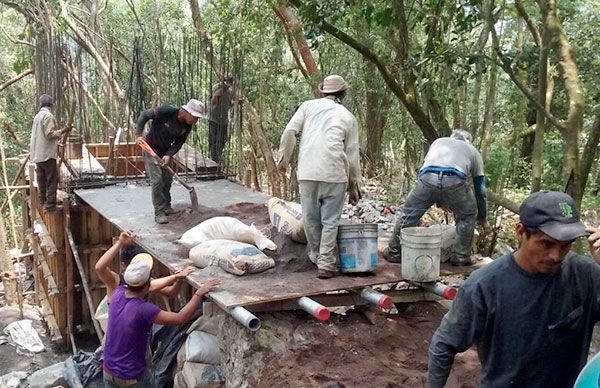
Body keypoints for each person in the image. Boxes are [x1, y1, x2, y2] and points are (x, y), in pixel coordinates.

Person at [427, 191, 600, 387]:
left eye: (566, 246)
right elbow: (444, 344)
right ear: (520, 232)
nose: (556, 256)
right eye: (546, 243)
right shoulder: (484, 286)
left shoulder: (586, 276)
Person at [277, 74, 361, 279]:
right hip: (334, 173)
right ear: (343, 93)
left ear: (322, 91)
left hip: (308, 171)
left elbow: (289, 131)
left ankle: (316, 257)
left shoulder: (307, 106)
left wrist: (283, 159)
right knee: (330, 221)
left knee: (310, 218)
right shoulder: (348, 116)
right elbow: (351, 153)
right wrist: (354, 186)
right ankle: (326, 263)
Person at [102, 253, 220, 387]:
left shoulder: (117, 293)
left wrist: (177, 278)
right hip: (131, 377)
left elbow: (166, 290)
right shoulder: (144, 309)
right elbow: (180, 318)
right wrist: (198, 293)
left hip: (108, 370)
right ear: (147, 284)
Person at [383, 129, 489, 266]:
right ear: (469, 141)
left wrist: (439, 200)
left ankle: (394, 252)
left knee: (409, 214)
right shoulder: (472, 150)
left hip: (427, 178)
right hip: (455, 180)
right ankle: (461, 256)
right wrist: (483, 217)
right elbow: (480, 189)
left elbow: (431, 169)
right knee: (468, 215)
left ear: (451, 137)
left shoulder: (438, 142)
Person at [135, 99, 206, 224]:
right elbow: (144, 115)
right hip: (150, 148)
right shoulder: (167, 111)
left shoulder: (187, 126)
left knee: (167, 179)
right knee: (157, 180)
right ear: (187, 111)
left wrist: (169, 154)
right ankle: (159, 212)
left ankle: (167, 206)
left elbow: (179, 143)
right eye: (195, 117)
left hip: (165, 152)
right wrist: (138, 134)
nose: (196, 121)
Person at [95, 230, 195, 301]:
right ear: (123, 266)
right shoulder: (116, 281)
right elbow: (99, 268)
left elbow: (170, 293)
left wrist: (178, 279)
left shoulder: (144, 279)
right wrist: (119, 243)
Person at [30, 94, 71, 211]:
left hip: (38, 154)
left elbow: (42, 135)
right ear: (51, 104)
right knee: (52, 179)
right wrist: (64, 130)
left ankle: (43, 202)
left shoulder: (37, 116)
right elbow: (49, 134)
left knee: (41, 179)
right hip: (47, 154)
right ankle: (51, 205)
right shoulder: (48, 116)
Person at [208, 74, 234, 165]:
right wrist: (217, 95)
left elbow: (229, 104)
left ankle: (218, 157)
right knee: (214, 141)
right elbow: (213, 102)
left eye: (229, 84)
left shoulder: (229, 92)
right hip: (214, 119)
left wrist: (237, 103)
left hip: (224, 120)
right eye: (227, 83)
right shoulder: (216, 87)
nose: (228, 85)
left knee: (223, 139)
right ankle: (214, 160)